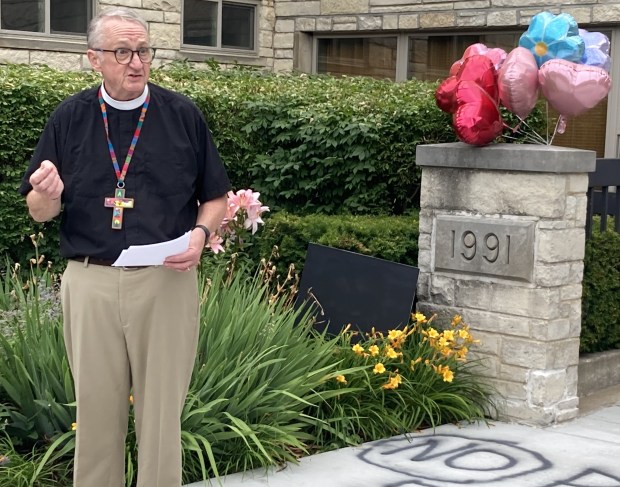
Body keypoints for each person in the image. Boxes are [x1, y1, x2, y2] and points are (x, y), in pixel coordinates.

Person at [19, 7, 230, 487]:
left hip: (166, 280)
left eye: (143, 51)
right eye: (122, 52)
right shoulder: (69, 118)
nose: (136, 62)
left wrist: (200, 236)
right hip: (90, 281)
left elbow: (215, 196)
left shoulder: (182, 116)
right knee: (95, 415)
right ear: (94, 59)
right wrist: (45, 195)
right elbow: (38, 211)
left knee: (161, 419)